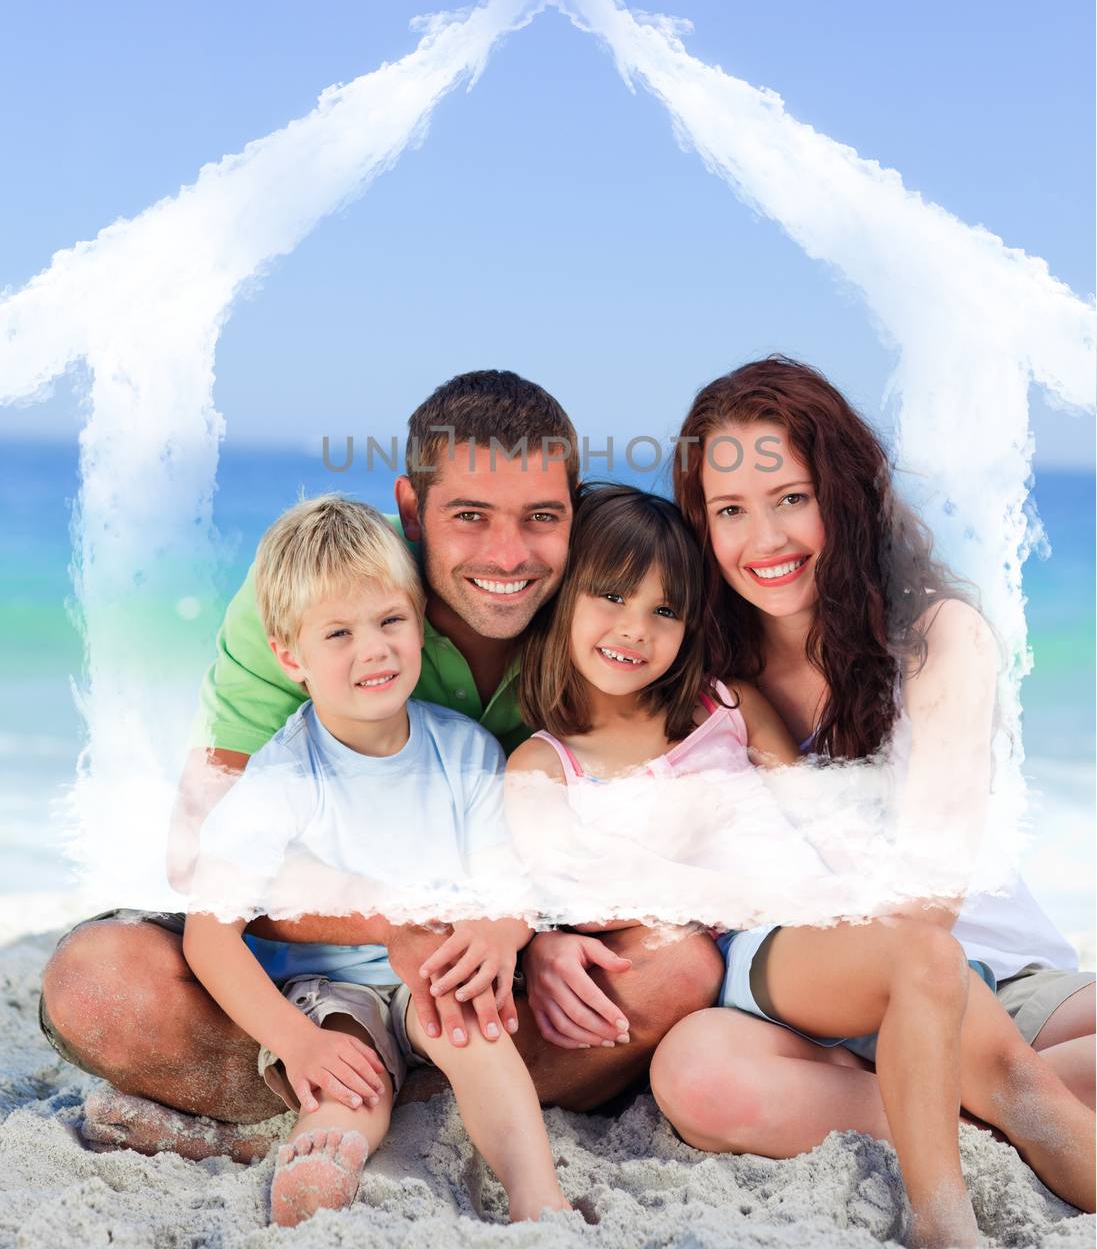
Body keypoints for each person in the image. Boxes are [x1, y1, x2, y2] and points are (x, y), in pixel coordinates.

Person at [40, 370, 723, 1160]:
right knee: (96, 982)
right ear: (411, 508)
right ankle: (346, 1094)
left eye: (541, 518)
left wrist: (530, 931)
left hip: (487, 964)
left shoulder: (603, 618)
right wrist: (394, 918)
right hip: (318, 964)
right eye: (469, 516)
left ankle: (339, 1118)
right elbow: (198, 857)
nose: (508, 554)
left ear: (572, 515)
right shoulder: (321, 607)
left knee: (675, 969)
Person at [506, 483, 1094, 1247]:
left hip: (844, 929)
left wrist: (861, 891)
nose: (634, 629)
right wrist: (730, 883)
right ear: (562, 599)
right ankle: (944, 1225)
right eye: (610, 596)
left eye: (665, 610)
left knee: (1023, 1086)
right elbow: (582, 884)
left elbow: (816, 814)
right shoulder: (546, 767)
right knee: (922, 960)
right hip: (761, 945)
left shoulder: (724, 702)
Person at [648, 356, 1096, 1180]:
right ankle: (1006, 1111)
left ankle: (975, 1106)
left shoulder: (936, 638)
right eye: (730, 510)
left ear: (843, 496)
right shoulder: (699, 668)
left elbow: (927, 903)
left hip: (986, 978)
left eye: (791, 498)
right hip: (803, 1004)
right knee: (696, 1076)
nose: (765, 540)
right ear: (700, 526)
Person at [184, 494, 567, 1226]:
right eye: (338, 633)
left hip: (437, 970)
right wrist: (295, 1041)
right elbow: (209, 934)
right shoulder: (282, 777)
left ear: (418, 621)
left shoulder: (463, 751)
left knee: (471, 1025)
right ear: (290, 655)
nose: (374, 649)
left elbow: (505, 885)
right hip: (336, 989)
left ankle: (535, 1199)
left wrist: (497, 933)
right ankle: (323, 1167)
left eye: (390, 621)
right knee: (345, 1072)